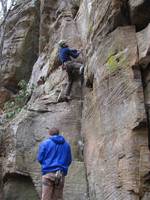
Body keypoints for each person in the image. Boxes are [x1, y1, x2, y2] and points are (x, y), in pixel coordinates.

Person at [37, 127, 72, 200]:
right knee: (58, 198)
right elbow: (69, 160)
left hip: (48, 173)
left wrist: (46, 165)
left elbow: (40, 158)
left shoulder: (45, 143)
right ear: (58, 133)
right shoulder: (67, 145)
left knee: (46, 197)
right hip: (60, 174)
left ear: (49, 134)